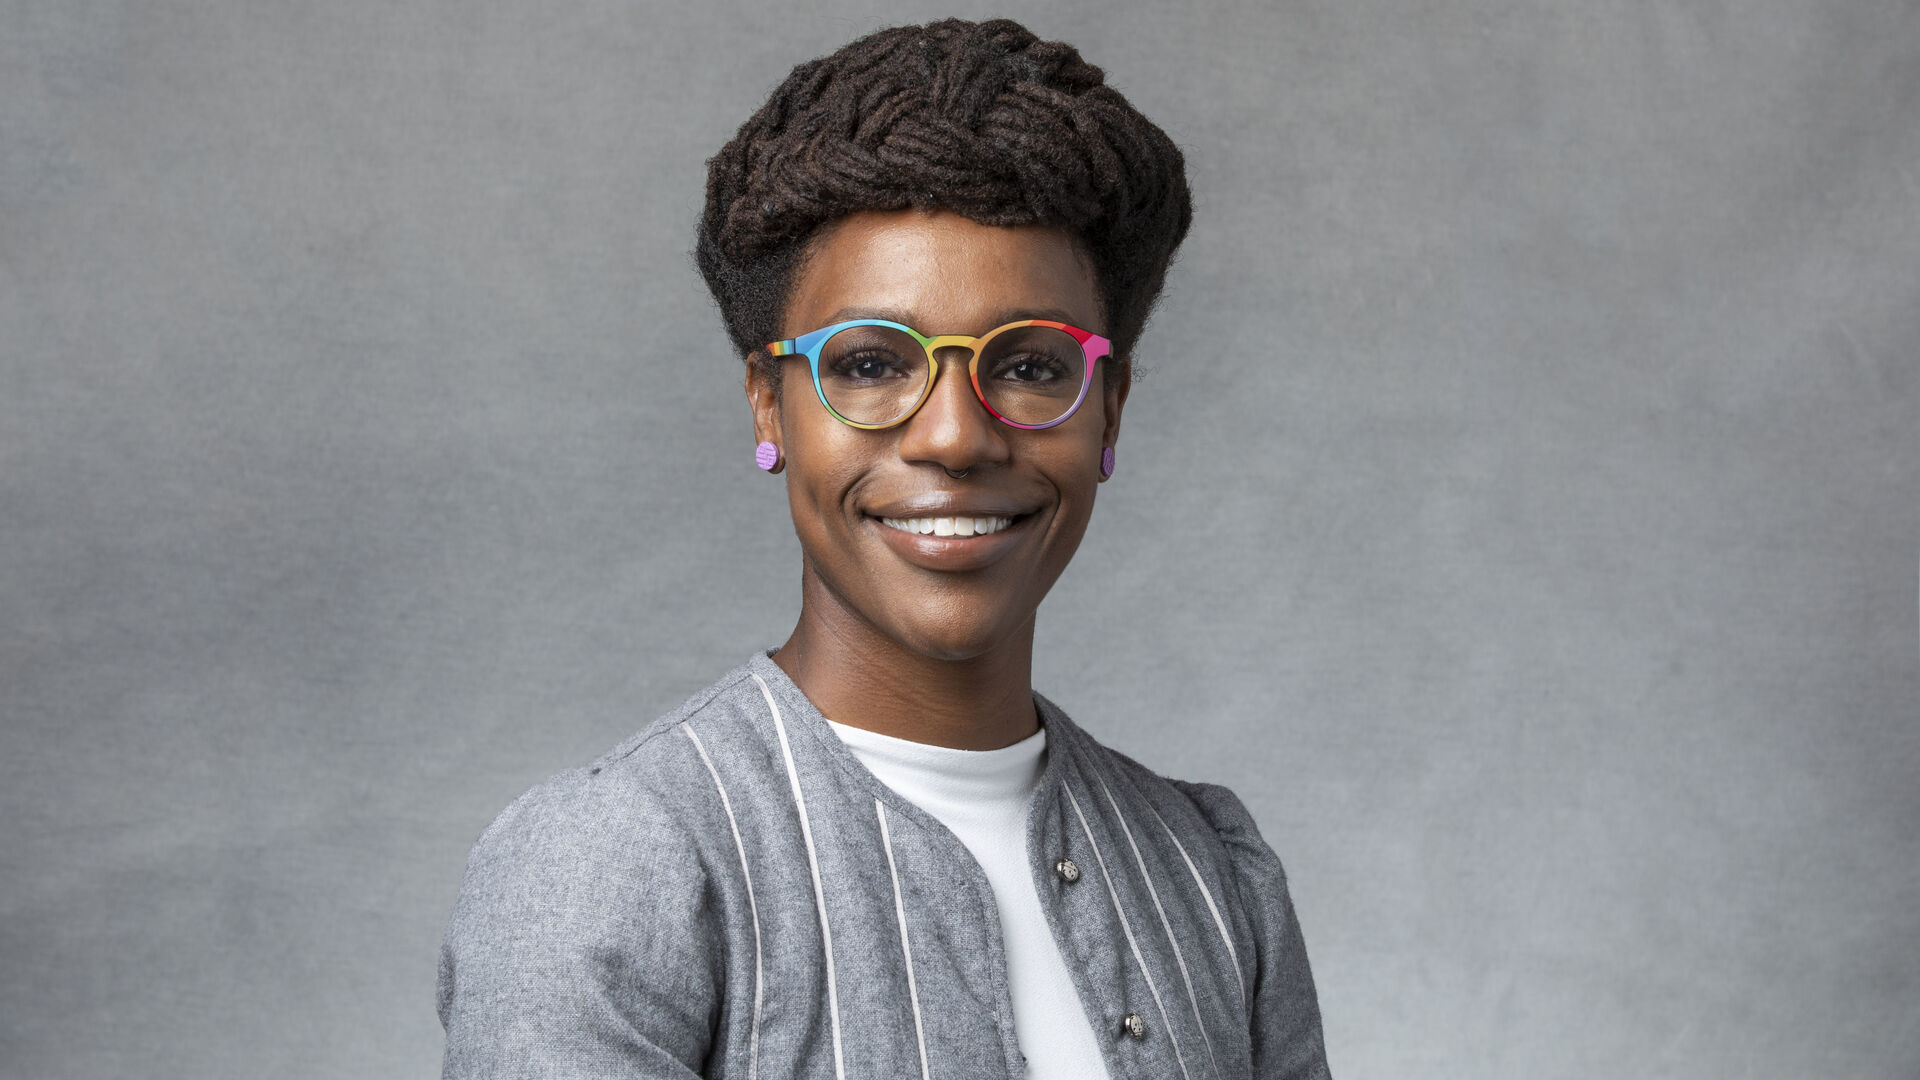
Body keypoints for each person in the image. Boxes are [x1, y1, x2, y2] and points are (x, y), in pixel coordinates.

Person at [438, 18, 1331, 1080]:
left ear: (1111, 408)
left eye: (1031, 366)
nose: (954, 436)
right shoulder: (616, 866)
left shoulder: (1211, 874)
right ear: (769, 404)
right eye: (868, 364)